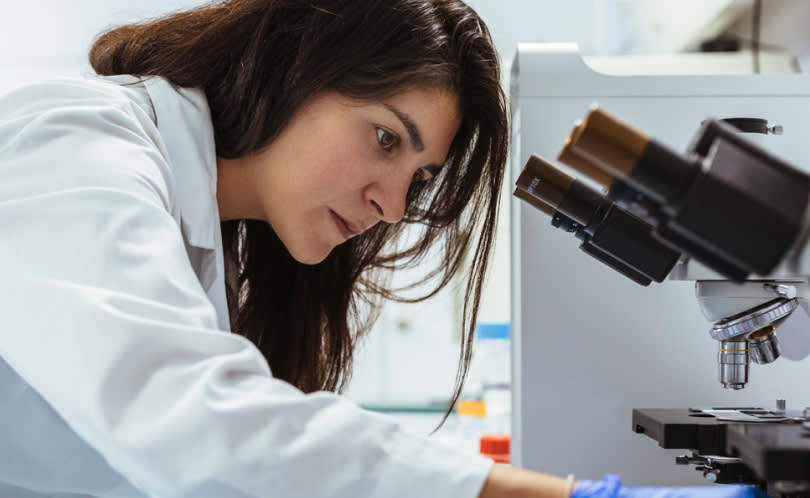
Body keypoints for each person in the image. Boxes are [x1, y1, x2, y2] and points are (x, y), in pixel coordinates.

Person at [0, 1, 772, 498]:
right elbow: (191, 419)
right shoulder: (75, 139)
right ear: (292, 66)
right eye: (384, 139)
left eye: (419, 178)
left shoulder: (204, 231)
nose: (393, 205)